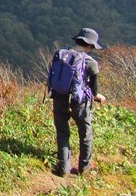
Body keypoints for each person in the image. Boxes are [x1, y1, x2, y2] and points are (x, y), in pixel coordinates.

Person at [51, 28, 107, 177]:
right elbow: (93, 87)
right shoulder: (90, 63)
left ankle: (63, 168)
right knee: (85, 133)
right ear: (89, 45)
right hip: (79, 103)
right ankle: (84, 168)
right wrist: (96, 96)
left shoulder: (60, 55)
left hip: (59, 98)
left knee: (62, 132)